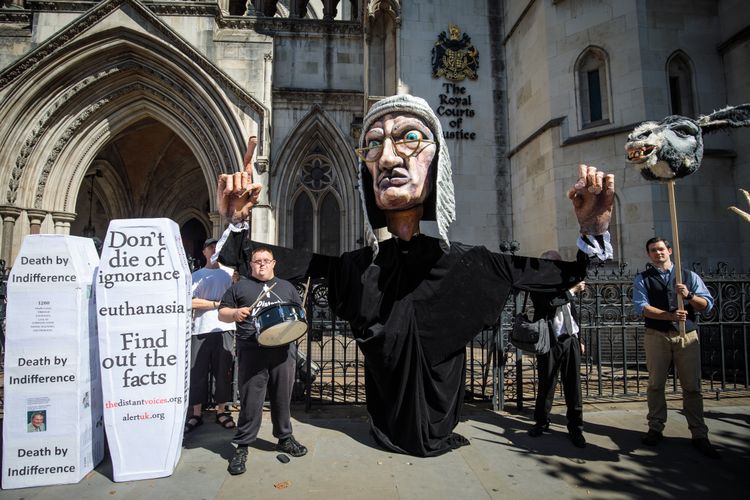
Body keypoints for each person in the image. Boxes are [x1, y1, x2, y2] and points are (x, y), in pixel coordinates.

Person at [216, 94, 615, 457]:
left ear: (438, 162)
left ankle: (436, 428)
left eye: (409, 137)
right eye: (373, 144)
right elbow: (275, 259)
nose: (388, 158)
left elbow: (551, 275)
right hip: (383, 415)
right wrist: (236, 223)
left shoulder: (465, 264)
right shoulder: (359, 267)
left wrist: (592, 231)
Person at [218, 246, 308, 475]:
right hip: (252, 349)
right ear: (251, 264)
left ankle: (284, 438)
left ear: (273, 263)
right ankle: (242, 445)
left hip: (282, 350)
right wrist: (235, 314)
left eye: (266, 260)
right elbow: (222, 312)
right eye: (257, 261)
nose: (262, 264)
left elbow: (299, 312)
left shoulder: (286, 287)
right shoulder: (240, 287)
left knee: (282, 397)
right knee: (251, 400)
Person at [632, 237, 719, 458]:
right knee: (655, 384)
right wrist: (670, 315)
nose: (658, 253)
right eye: (653, 250)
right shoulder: (643, 279)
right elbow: (642, 307)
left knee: (691, 387)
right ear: (649, 254)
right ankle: (655, 428)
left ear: (670, 251)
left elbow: (707, 305)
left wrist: (688, 295)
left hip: (686, 336)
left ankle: (699, 433)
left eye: (661, 249)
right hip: (656, 335)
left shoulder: (688, 276)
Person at [527, 250, 587, 448]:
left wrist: (579, 338)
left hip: (570, 339)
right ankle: (542, 421)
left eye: (557, 263)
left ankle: (576, 427)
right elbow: (550, 303)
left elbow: (573, 312)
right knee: (547, 383)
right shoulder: (539, 283)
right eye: (549, 262)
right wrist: (571, 291)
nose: (554, 266)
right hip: (550, 340)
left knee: (573, 385)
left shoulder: (566, 281)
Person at [185, 238, 236, 434]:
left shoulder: (231, 274)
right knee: (197, 372)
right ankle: (196, 413)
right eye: (210, 247)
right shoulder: (196, 275)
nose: (214, 250)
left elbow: (235, 299)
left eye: (218, 247)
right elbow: (190, 303)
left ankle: (221, 411)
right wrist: (217, 304)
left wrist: (206, 302)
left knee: (222, 372)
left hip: (225, 328)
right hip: (200, 328)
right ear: (204, 252)